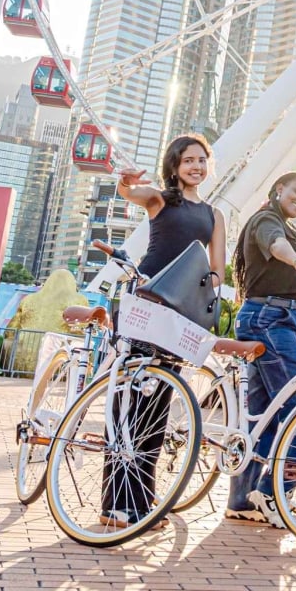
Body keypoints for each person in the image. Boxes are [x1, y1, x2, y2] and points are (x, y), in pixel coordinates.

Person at [105, 134, 227, 530]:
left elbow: (218, 270)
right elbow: (131, 192)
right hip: (148, 301)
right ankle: (116, 504)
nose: (196, 166)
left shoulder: (214, 214)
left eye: (201, 160)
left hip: (183, 312)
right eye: (188, 160)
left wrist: (210, 297)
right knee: (131, 400)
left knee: (160, 404)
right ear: (174, 166)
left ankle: (142, 498)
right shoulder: (160, 199)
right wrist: (125, 181)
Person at [226, 171, 296, 526]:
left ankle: (242, 500)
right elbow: (277, 245)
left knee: (263, 415)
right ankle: (276, 495)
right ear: (277, 189)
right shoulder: (266, 221)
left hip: (271, 320)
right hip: (270, 320)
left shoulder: (293, 228)